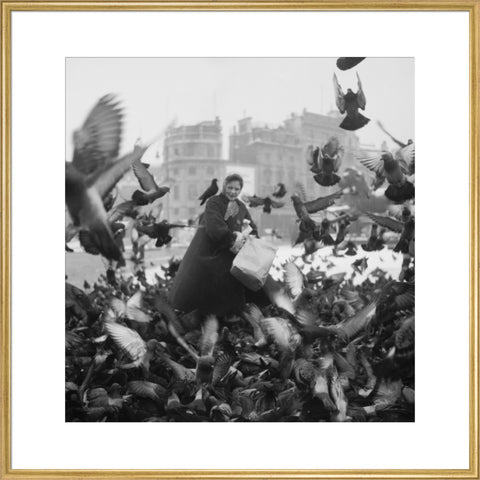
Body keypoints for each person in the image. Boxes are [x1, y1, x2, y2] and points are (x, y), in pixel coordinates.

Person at [169, 173, 262, 317]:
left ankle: (230, 317)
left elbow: (253, 229)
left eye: (236, 189)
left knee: (233, 290)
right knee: (204, 293)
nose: (233, 192)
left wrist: (249, 238)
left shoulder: (241, 207)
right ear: (224, 186)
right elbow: (214, 226)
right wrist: (232, 239)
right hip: (211, 252)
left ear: (240, 190)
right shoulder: (214, 202)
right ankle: (203, 317)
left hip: (231, 255)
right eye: (230, 188)